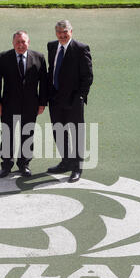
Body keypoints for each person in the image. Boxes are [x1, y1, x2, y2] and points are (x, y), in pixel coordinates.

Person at [0, 30, 47, 178]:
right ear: (13, 43)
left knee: (27, 134)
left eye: (23, 42)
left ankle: (24, 164)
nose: (20, 45)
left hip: (31, 105)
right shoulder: (4, 57)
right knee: (7, 135)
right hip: (8, 105)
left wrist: (42, 103)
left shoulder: (39, 58)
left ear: (28, 43)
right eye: (17, 42)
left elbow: (44, 83)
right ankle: (6, 165)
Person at [46, 20, 93, 182]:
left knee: (76, 133)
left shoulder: (81, 49)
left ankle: (77, 167)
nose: (62, 35)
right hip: (55, 99)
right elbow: (51, 71)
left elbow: (87, 76)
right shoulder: (52, 46)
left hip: (74, 100)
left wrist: (80, 97)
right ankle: (65, 162)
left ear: (71, 31)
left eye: (65, 32)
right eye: (59, 32)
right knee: (59, 131)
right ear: (55, 33)